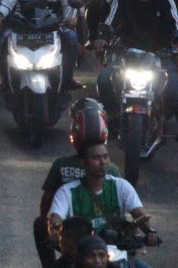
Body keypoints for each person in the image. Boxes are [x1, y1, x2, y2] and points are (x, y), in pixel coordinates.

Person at [33, 98, 121, 266]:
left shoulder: (61, 165)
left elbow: (46, 205)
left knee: (39, 224)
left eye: (103, 159)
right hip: (102, 236)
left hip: (72, 237)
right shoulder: (113, 170)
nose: (100, 164)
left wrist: (51, 229)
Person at [94, 0, 178, 122]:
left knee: (174, 87)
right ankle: (115, 115)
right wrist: (103, 38)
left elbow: (175, 27)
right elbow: (110, 23)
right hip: (126, 54)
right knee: (104, 79)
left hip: (159, 55)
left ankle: (162, 117)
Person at [48, 142, 161, 242]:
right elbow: (56, 216)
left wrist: (150, 231)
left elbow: (139, 214)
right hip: (84, 255)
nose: (102, 162)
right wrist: (55, 228)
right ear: (83, 162)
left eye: (105, 157)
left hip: (118, 250)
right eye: (96, 158)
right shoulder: (67, 192)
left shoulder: (121, 186)